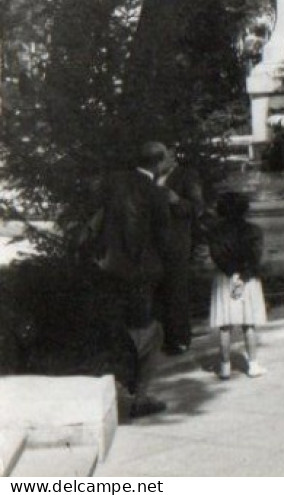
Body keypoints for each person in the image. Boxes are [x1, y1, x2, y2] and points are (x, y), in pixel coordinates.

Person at [97, 142, 172, 419]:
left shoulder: (115, 183)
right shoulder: (155, 193)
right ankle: (138, 397)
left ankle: (119, 390)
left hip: (110, 268)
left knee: (119, 329)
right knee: (149, 332)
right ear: (159, 162)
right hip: (141, 273)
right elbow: (162, 239)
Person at [208, 192, 268, 380]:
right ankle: (253, 364)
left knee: (225, 326)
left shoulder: (215, 232)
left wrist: (230, 271)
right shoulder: (255, 231)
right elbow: (256, 257)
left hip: (225, 278)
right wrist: (243, 273)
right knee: (248, 324)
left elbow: (217, 256)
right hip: (247, 278)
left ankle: (225, 366)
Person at [157, 148, 207, 355]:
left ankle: (179, 339)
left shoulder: (186, 175)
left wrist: (176, 201)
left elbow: (197, 208)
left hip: (177, 242)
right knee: (157, 291)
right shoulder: (151, 178)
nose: (157, 164)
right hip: (153, 243)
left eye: (161, 159)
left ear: (171, 157)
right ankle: (160, 339)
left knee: (176, 291)